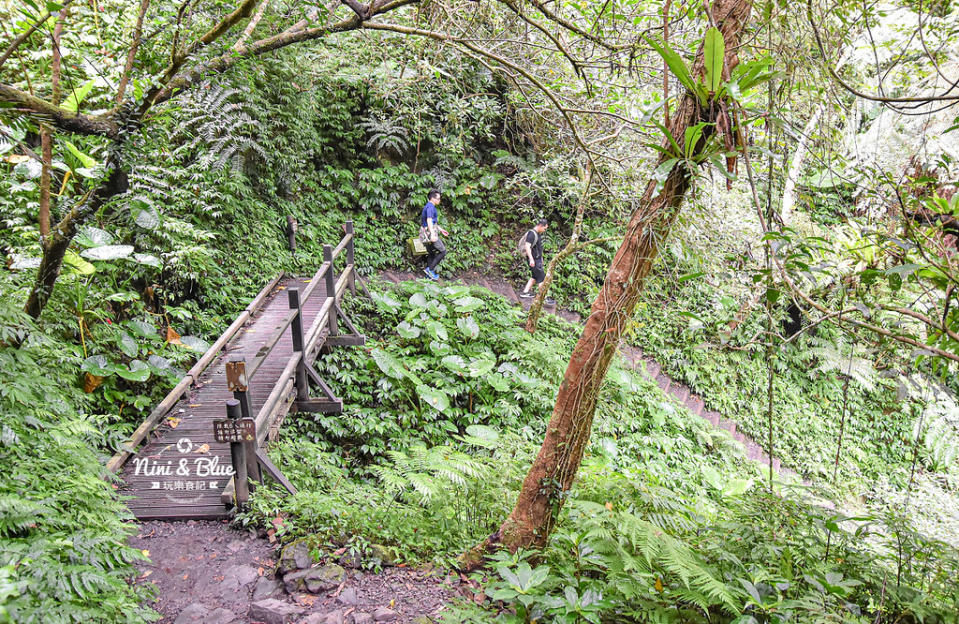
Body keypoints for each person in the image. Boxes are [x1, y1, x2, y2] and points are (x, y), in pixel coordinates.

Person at [519, 219, 554, 304]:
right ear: (540, 226)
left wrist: (541, 258)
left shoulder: (537, 234)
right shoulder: (532, 233)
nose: (544, 230)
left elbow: (538, 248)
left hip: (537, 259)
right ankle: (544, 298)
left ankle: (525, 292)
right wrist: (531, 259)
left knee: (535, 276)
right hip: (533, 260)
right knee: (541, 278)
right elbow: (527, 246)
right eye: (544, 228)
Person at [420, 189, 448, 280]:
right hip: (429, 233)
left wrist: (440, 229)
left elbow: (432, 222)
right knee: (443, 251)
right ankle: (430, 270)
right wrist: (432, 234)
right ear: (432, 198)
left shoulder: (428, 206)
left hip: (425, 232)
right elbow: (429, 220)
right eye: (438, 199)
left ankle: (429, 277)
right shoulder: (431, 207)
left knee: (431, 253)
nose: (439, 200)